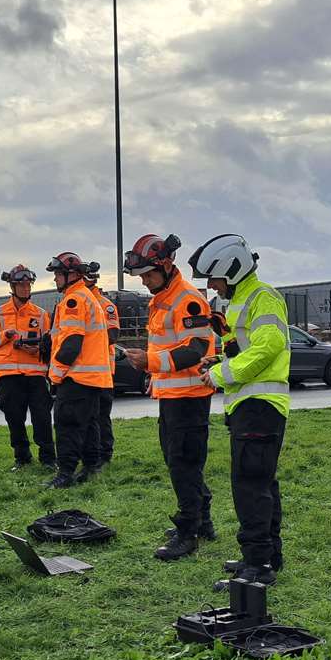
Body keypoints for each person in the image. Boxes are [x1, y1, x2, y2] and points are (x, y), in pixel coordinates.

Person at [188, 233, 290, 585]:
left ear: (231, 269)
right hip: (251, 405)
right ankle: (267, 557)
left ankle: (258, 565)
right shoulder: (242, 300)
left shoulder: (263, 297)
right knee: (261, 484)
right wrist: (220, 356)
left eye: (214, 279)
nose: (212, 286)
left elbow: (267, 348)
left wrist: (217, 374)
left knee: (250, 486)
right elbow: (246, 349)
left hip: (259, 406)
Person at [123, 233, 217, 560]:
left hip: (190, 397)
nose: (145, 281)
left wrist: (150, 363)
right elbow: (168, 347)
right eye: (142, 276)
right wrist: (155, 376)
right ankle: (202, 521)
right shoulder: (163, 297)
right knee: (178, 461)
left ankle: (188, 530)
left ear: (166, 265)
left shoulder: (186, 299)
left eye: (149, 274)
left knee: (183, 464)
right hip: (175, 395)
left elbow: (195, 350)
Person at [45, 251, 113, 488]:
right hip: (93, 378)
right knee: (90, 424)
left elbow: (71, 344)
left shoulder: (73, 300)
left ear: (70, 274)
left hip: (77, 376)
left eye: (57, 275)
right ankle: (91, 467)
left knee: (67, 425)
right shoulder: (86, 297)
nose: (55, 279)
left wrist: (55, 374)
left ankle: (65, 474)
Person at [0, 264, 55, 471]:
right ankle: (22, 458)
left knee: (42, 417)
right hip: (9, 375)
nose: (26, 289)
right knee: (14, 418)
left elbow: (50, 344)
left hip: (36, 374)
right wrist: (5, 336)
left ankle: (48, 459)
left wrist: (37, 349)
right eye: (22, 285)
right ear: (13, 286)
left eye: (29, 285)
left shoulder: (41, 314)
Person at [83, 263, 120, 467]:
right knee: (87, 416)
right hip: (83, 371)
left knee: (101, 415)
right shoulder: (75, 302)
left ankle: (105, 454)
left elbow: (113, 335)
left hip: (103, 371)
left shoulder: (106, 305)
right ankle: (90, 453)